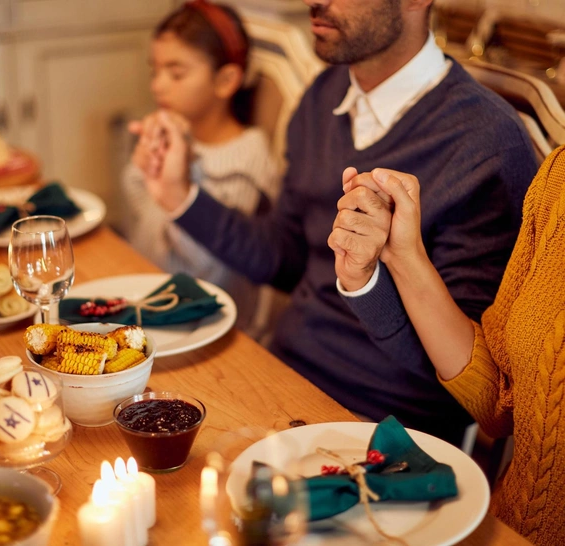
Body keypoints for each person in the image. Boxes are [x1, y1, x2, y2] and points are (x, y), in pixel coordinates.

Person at [131, 0, 538, 444]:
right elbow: (285, 257)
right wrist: (179, 196)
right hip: (282, 374)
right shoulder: (322, 97)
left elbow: (467, 381)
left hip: (386, 428)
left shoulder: (486, 141)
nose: (314, 2)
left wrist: (368, 282)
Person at [338, 146, 565, 545]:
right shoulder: (557, 178)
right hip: (503, 530)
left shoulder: (486, 143)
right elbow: (500, 402)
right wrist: (403, 255)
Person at [122, 0, 279, 331]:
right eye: (155, 70)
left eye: (176, 73)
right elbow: (143, 224)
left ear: (226, 81)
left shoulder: (246, 159)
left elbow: (202, 269)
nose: (157, 85)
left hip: (208, 327)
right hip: (149, 303)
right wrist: (149, 170)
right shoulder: (177, 133)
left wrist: (182, 180)